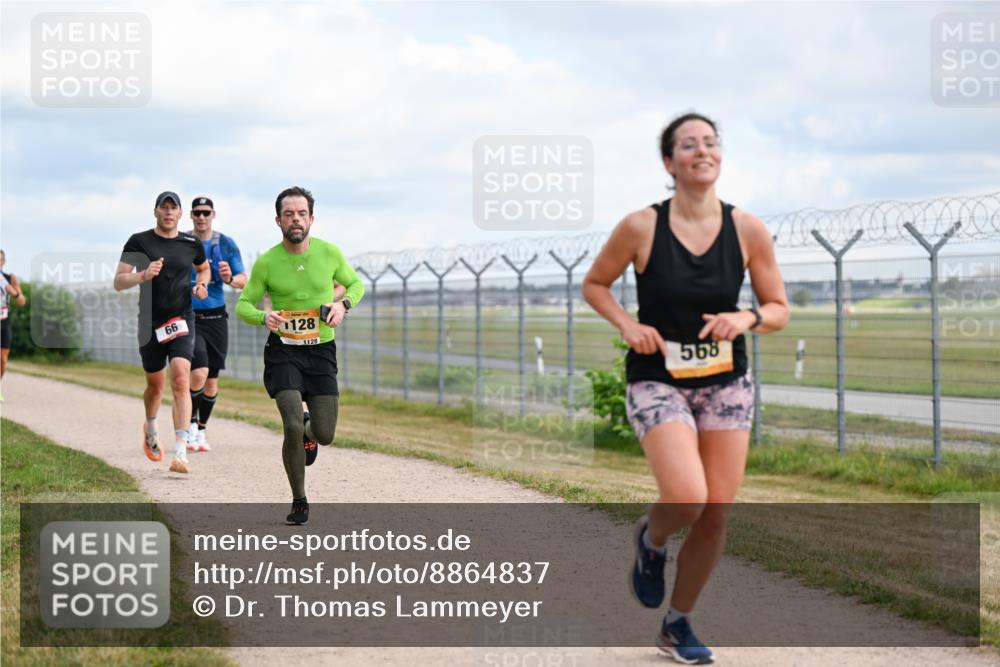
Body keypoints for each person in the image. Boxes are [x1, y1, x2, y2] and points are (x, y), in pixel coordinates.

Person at [581, 112, 789, 664]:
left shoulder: (747, 229)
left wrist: (746, 318)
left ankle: (677, 624)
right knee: (688, 497)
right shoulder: (641, 226)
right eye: (689, 144)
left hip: (726, 382)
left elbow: (778, 308)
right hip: (658, 379)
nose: (703, 151)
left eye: (711, 142)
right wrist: (627, 324)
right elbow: (595, 284)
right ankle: (651, 539)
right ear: (669, 162)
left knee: (716, 510)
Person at [237, 186, 364, 526]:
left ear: (312, 218)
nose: (296, 219)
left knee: (325, 433)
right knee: (291, 425)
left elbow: (356, 285)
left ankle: (310, 433)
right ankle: (299, 500)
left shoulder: (329, 253)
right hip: (284, 352)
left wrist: (343, 305)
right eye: (289, 214)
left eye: (302, 213)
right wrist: (264, 317)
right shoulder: (267, 262)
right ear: (278, 220)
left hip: (321, 351)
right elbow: (243, 304)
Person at [115, 191, 211, 474]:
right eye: (164, 208)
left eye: (173, 208)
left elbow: (203, 269)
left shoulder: (191, 243)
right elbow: (119, 281)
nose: (168, 212)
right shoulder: (139, 241)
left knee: (180, 378)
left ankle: (180, 452)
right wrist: (142, 275)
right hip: (149, 323)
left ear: (180, 214)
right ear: (155, 212)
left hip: (182, 318)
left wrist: (201, 285)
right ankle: (151, 425)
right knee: (155, 386)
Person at [186, 196, 247, 452]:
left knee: (211, 379)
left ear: (213, 215)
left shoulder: (225, 243)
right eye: (197, 212)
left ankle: (201, 429)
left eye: (206, 212)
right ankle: (189, 425)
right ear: (191, 215)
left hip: (216, 318)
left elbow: (243, 280)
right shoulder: (183, 242)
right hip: (189, 316)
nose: (201, 217)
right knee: (198, 371)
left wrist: (229, 277)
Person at [1, 250, 28, 399]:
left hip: (4, 322)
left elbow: (21, 299)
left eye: (0, 260)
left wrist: (18, 295)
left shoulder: (10, 278)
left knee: (3, 360)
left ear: (3, 262)